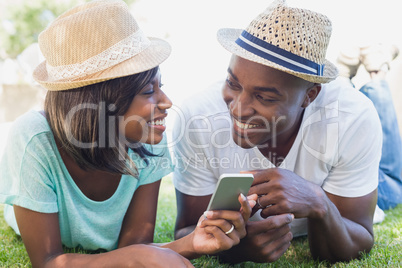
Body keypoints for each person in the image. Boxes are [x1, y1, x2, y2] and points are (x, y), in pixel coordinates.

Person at [0, 1, 256, 267]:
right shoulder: (34, 138)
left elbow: (135, 248)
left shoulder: (149, 139)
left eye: (161, 86)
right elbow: (48, 260)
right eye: (148, 91)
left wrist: (192, 242)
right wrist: (136, 255)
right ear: (101, 102)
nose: (167, 102)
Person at [172, 0, 382, 263]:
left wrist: (320, 202)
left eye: (264, 97)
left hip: (358, 178)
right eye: (232, 83)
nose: (238, 108)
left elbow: (357, 240)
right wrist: (236, 248)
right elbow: (186, 231)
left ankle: (378, 83)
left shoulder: (354, 118)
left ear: (310, 95)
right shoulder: (197, 118)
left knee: (392, 184)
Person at [337, 43, 402, 218]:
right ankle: (369, 75)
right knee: (394, 185)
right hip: (355, 183)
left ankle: (366, 77)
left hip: (343, 175)